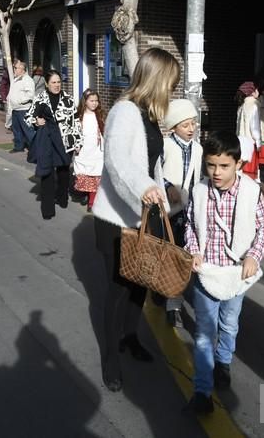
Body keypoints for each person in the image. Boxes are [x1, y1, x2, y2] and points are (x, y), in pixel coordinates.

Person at [91, 47, 180, 392]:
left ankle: (130, 337)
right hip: (117, 219)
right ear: (156, 79)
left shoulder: (149, 114)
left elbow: (149, 162)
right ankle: (110, 359)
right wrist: (145, 188)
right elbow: (117, 162)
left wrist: (163, 189)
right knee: (117, 291)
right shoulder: (125, 111)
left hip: (145, 213)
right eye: (169, 82)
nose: (171, 90)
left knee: (140, 283)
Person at [184, 130, 264, 414]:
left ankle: (223, 362)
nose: (216, 172)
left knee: (229, 324)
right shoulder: (199, 191)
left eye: (224, 166)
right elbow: (189, 224)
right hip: (206, 274)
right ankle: (201, 391)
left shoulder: (250, 191)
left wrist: (254, 256)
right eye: (211, 165)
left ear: (238, 163)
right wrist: (193, 250)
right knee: (203, 333)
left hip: (236, 274)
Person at [160, 98, 203, 328]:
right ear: (174, 126)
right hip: (167, 212)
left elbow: (198, 179)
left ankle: (173, 303)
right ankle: (170, 301)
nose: (191, 129)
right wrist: (168, 187)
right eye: (185, 125)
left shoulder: (198, 149)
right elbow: (155, 173)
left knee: (183, 259)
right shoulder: (165, 145)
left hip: (188, 213)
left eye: (193, 124)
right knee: (168, 256)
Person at [26, 69, 82, 208]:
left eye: (59, 82)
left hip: (64, 141)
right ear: (46, 83)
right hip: (47, 140)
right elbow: (27, 117)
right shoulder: (40, 98)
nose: (57, 85)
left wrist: (77, 142)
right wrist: (36, 121)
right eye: (53, 82)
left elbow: (75, 122)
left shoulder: (68, 99)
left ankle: (62, 199)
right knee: (47, 172)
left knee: (63, 172)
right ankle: (48, 206)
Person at [73, 89, 105, 212]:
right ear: (85, 101)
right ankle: (86, 194)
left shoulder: (99, 115)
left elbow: (104, 130)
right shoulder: (79, 116)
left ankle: (92, 201)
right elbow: (75, 131)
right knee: (84, 173)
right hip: (84, 149)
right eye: (91, 101)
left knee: (96, 174)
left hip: (97, 150)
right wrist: (76, 144)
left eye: (96, 101)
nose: (94, 103)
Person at [7, 61, 35, 153]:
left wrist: (20, 101)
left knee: (28, 130)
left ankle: (34, 149)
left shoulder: (27, 79)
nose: (14, 69)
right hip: (15, 109)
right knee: (17, 129)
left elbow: (30, 94)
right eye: (14, 67)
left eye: (16, 68)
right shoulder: (16, 79)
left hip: (24, 109)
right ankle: (19, 147)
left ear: (22, 70)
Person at [235, 81, 261, 182]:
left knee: (242, 165)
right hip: (250, 141)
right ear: (253, 92)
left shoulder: (241, 106)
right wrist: (258, 141)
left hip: (241, 140)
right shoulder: (253, 105)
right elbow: (254, 126)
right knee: (250, 166)